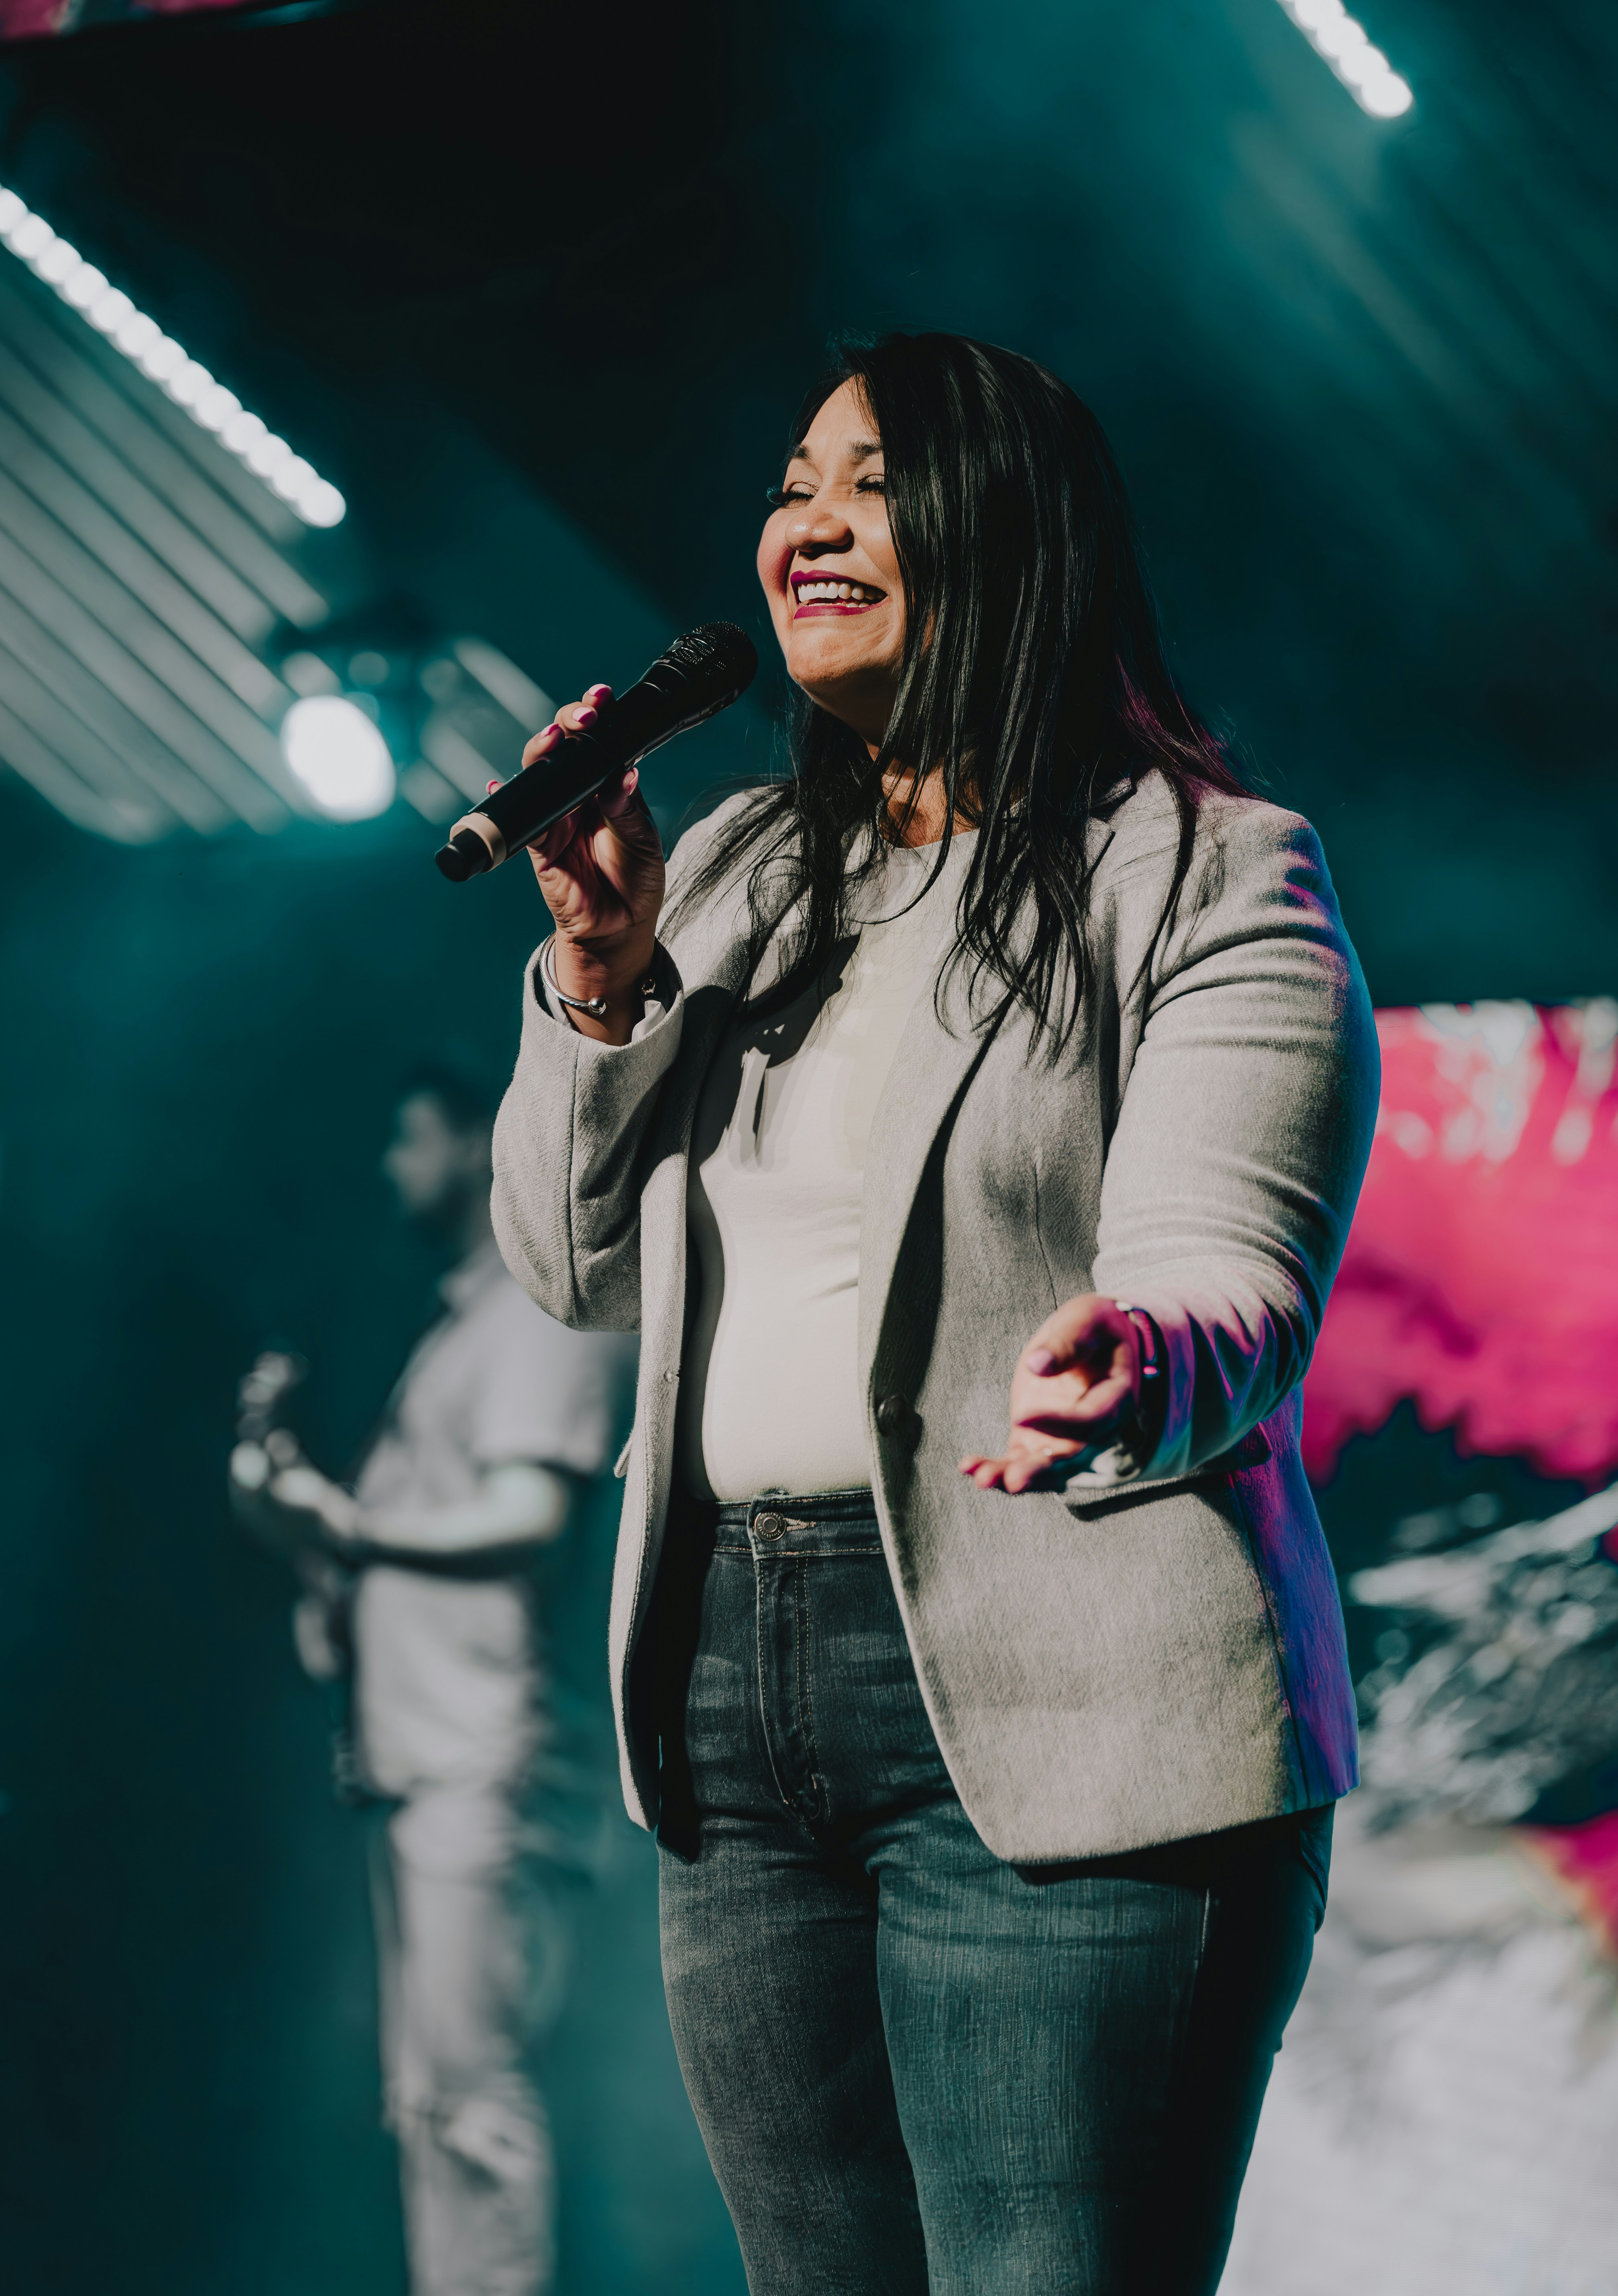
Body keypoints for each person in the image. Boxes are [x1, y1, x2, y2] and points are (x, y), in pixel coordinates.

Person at [489, 331, 1380, 2294]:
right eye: (795, 479)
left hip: (1066, 1673)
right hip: (730, 1691)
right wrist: (610, 975)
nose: (808, 519)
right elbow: (574, 1268)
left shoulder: (1211, 876)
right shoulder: (722, 877)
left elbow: (1229, 1257)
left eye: (873, 483)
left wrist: (1140, 1360)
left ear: (1011, 532)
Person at [232, 1066, 636, 2296]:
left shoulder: (537, 1316)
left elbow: (524, 1516)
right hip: (432, 1760)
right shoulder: (463, 1328)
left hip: (487, 1759)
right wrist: (294, 1511)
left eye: (409, 1139)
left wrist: (347, 1529)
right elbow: (392, 1550)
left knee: (472, 2106)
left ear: (476, 1143)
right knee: (436, 2101)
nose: (389, 1169)